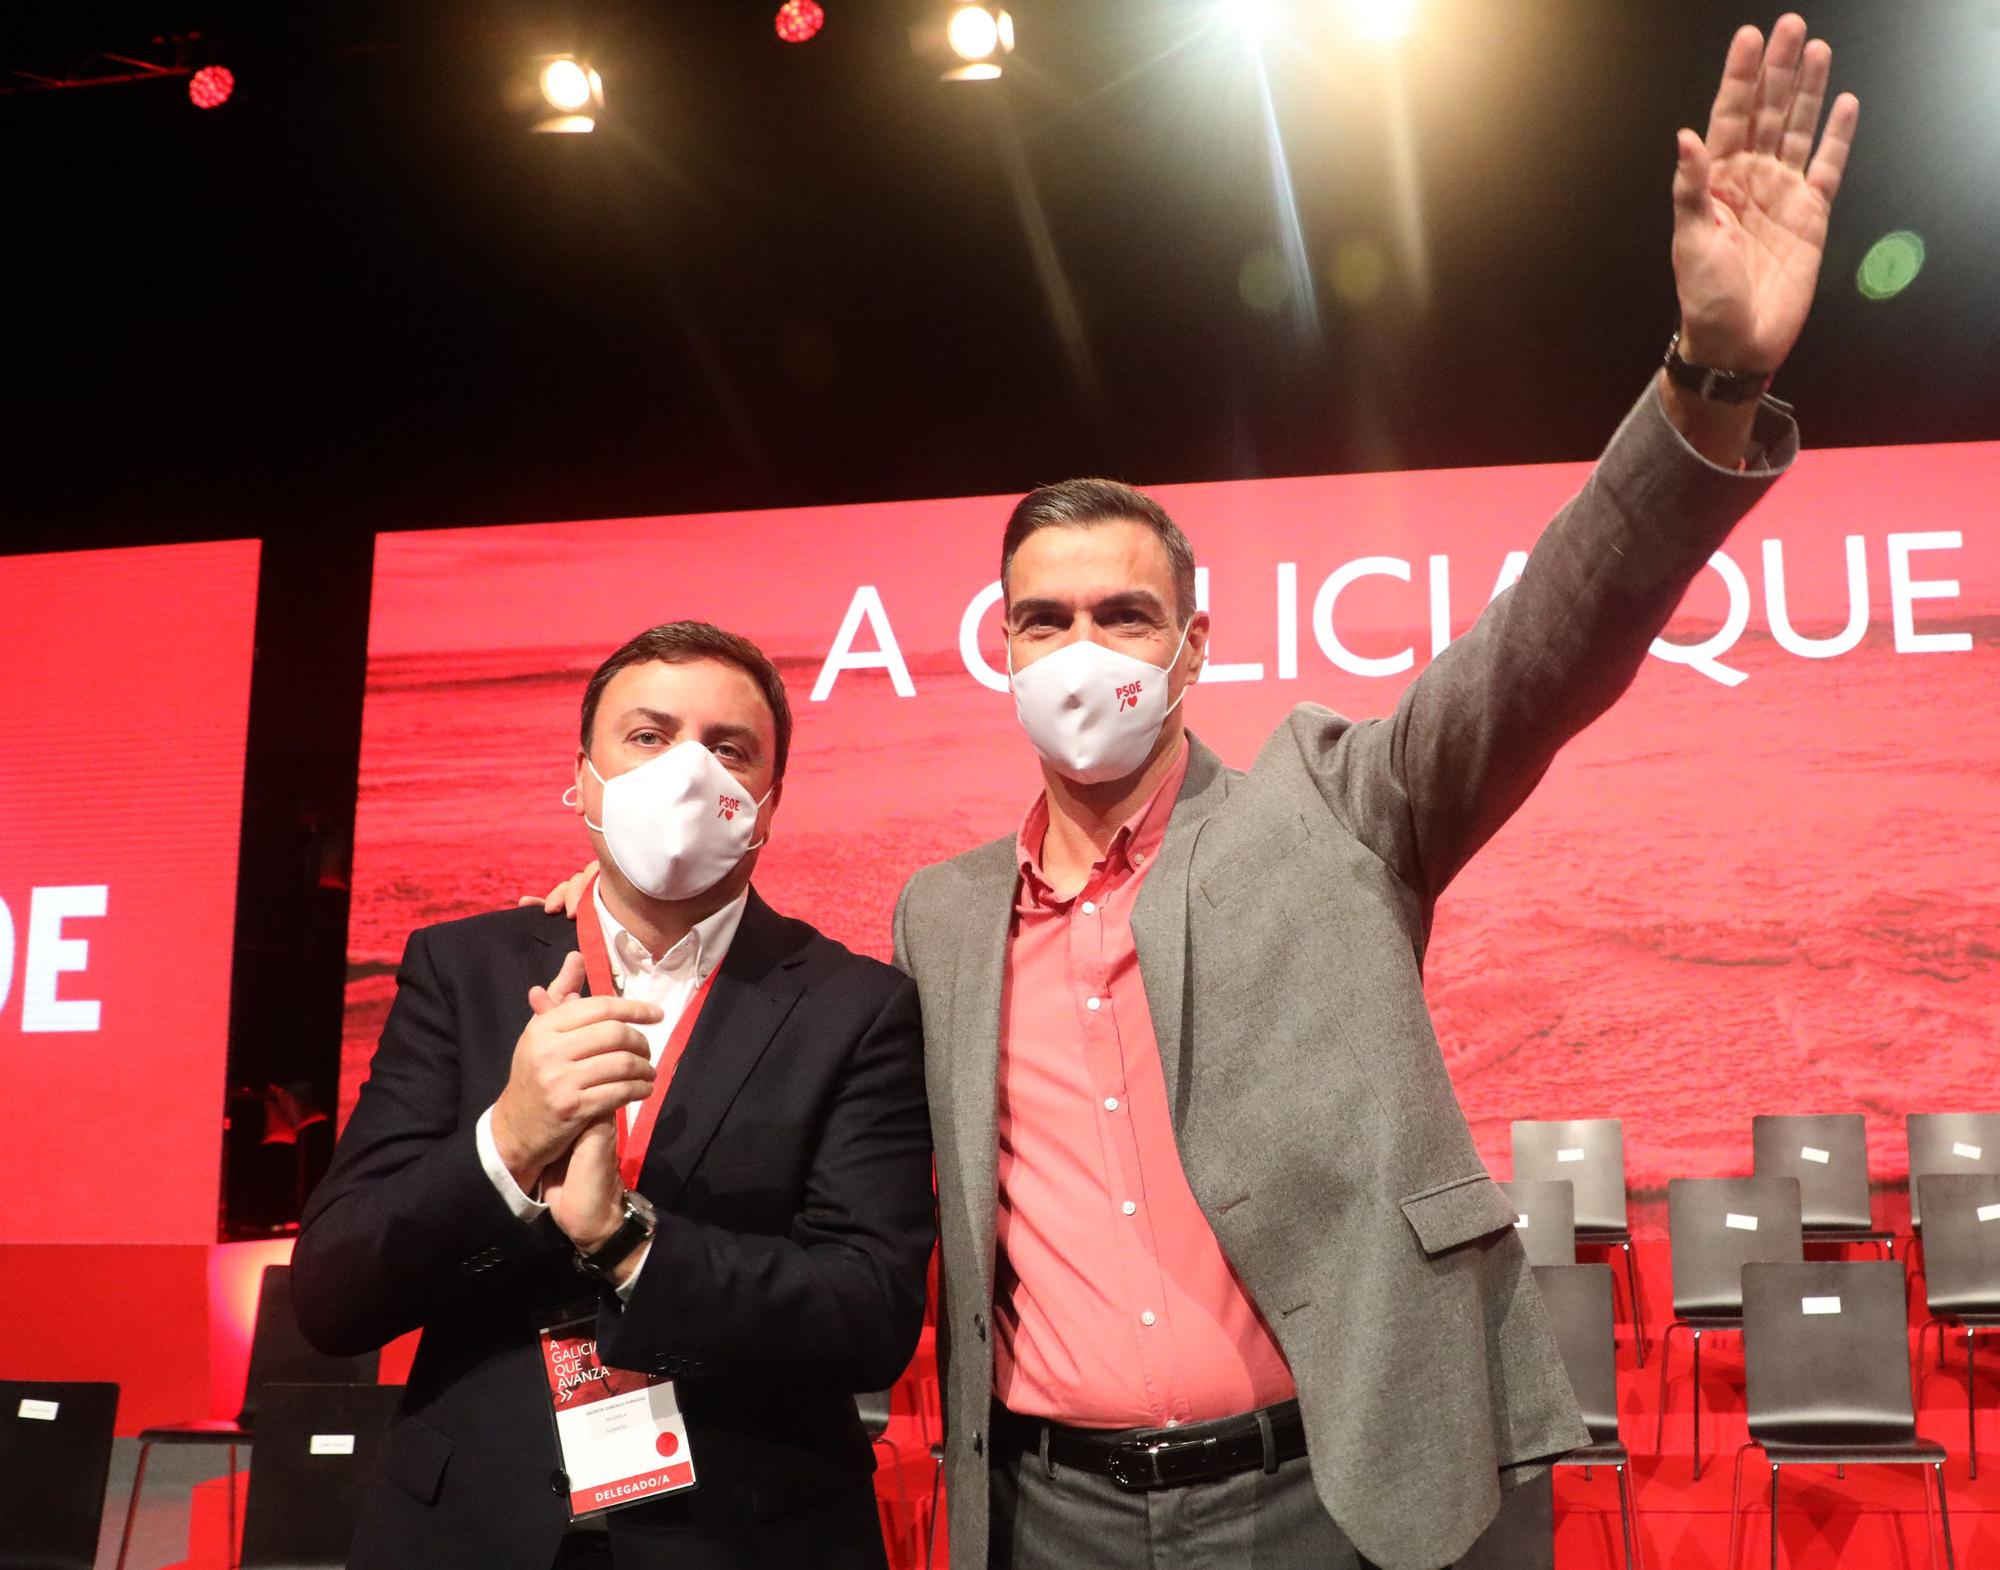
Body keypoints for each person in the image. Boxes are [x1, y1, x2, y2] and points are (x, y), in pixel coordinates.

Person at [543, 17, 1859, 1567]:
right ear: (1001, 645)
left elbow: (1549, 640)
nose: (1082, 649)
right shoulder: (941, 916)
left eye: (1125, 615)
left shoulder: (1341, 800)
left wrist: (1711, 377)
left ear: (1192, 647)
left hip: (1344, 1485)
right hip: (1052, 1509)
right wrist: (616, 943)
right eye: (1046, 619)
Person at [296, 621, 934, 1570]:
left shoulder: (856, 1005)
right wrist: (505, 1146)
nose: (688, 773)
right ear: (583, 777)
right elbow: (334, 1294)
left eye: (729, 749)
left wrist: (627, 1242)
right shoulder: (461, 969)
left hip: (740, 1537)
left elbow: (866, 1314)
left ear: (767, 803)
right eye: (649, 736)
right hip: (470, 1529)